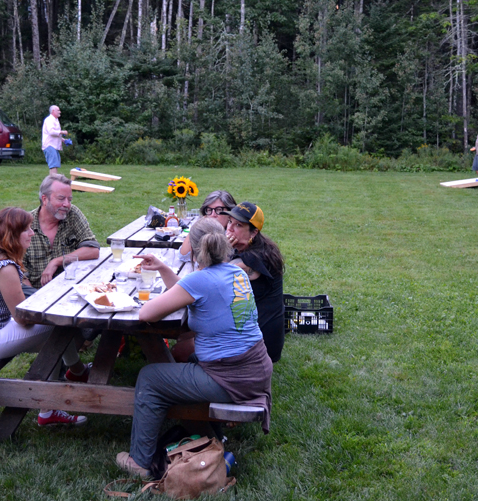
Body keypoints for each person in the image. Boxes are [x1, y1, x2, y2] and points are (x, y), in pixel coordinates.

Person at [115, 218, 273, 477]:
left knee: (150, 377)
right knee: (187, 358)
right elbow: (189, 291)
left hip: (232, 377)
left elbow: (146, 314)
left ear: (194, 249)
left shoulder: (200, 280)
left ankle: (139, 463)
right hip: (255, 369)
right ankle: (209, 437)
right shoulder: (236, 273)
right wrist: (164, 268)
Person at [0, 207, 89, 426]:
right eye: (26, 230)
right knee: (58, 327)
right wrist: (54, 308)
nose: (32, 233)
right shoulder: (4, 268)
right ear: (12, 235)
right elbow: (22, 317)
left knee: (56, 329)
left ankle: (76, 372)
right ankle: (50, 406)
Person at [223, 202, 285, 363]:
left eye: (238, 225)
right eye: (229, 221)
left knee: (185, 350)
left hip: (260, 347)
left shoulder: (252, 259)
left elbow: (209, 279)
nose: (229, 228)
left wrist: (221, 251)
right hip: (253, 333)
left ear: (253, 232)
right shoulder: (254, 248)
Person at [22, 174, 100, 293]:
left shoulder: (72, 214)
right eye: (61, 198)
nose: (67, 204)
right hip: (36, 293)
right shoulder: (25, 225)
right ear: (44, 199)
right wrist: (36, 299)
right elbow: (20, 274)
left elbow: (93, 249)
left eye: (69, 199)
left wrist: (57, 261)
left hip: (72, 291)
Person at [42, 105, 68, 175]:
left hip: (54, 146)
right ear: (53, 111)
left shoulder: (55, 120)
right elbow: (51, 132)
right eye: (58, 110)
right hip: (49, 146)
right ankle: (53, 182)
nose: (60, 112)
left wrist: (63, 140)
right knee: (53, 166)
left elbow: (55, 135)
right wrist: (62, 132)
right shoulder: (49, 120)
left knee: (55, 165)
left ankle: (53, 181)